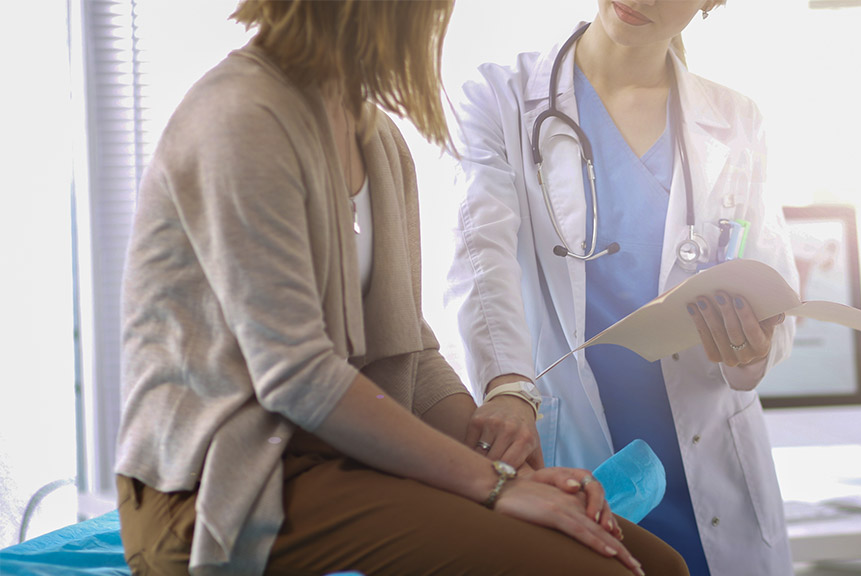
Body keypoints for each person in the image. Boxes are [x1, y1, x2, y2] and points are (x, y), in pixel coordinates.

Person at [113, 1, 689, 575]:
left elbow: (408, 346)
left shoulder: (377, 138)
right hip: (220, 485)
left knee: (658, 566)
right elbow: (298, 374)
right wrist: (493, 488)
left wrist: (511, 467)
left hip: (336, 464)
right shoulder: (241, 116)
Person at [446, 1, 799, 574]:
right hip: (579, 460)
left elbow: (775, 291)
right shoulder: (500, 98)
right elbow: (477, 254)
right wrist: (508, 384)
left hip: (711, 474)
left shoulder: (736, 122)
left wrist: (752, 352)